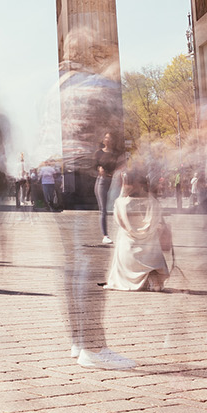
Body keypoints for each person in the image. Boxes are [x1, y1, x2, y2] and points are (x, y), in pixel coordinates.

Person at [52, 31, 134, 370]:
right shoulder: (94, 86)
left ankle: (77, 339)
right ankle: (94, 347)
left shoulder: (56, 86)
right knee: (91, 266)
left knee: (71, 266)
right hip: (86, 180)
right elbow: (114, 126)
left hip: (58, 183)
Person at [104, 170, 172, 291]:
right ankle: (151, 277)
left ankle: (142, 278)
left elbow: (118, 219)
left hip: (128, 251)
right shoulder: (153, 203)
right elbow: (158, 222)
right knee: (152, 246)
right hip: (150, 253)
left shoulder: (121, 203)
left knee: (122, 237)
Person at [94, 133, 125, 246]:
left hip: (114, 181)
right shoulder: (99, 153)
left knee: (117, 207)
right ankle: (105, 236)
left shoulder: (116, 154)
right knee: (103, 209)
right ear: (103, 139)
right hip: (102, 181)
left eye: (110, 138)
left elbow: (122, 166)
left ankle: (121, 233)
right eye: (106, 137)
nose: (108, 139)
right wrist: (99, 168)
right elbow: (94, 166)